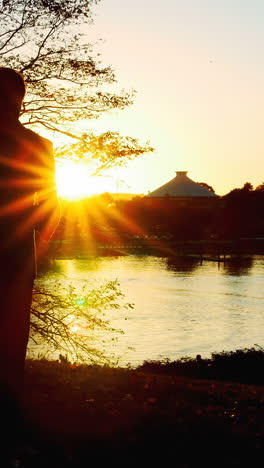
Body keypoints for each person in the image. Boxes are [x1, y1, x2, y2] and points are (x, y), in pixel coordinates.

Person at [0, 67, 60, 407]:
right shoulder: (39, 145)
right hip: (21, 253)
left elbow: (50, 204)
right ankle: (9, 403)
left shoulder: (37, 145)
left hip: (19, 254)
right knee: (11, 337)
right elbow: (51, 204)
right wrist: (42, 245)